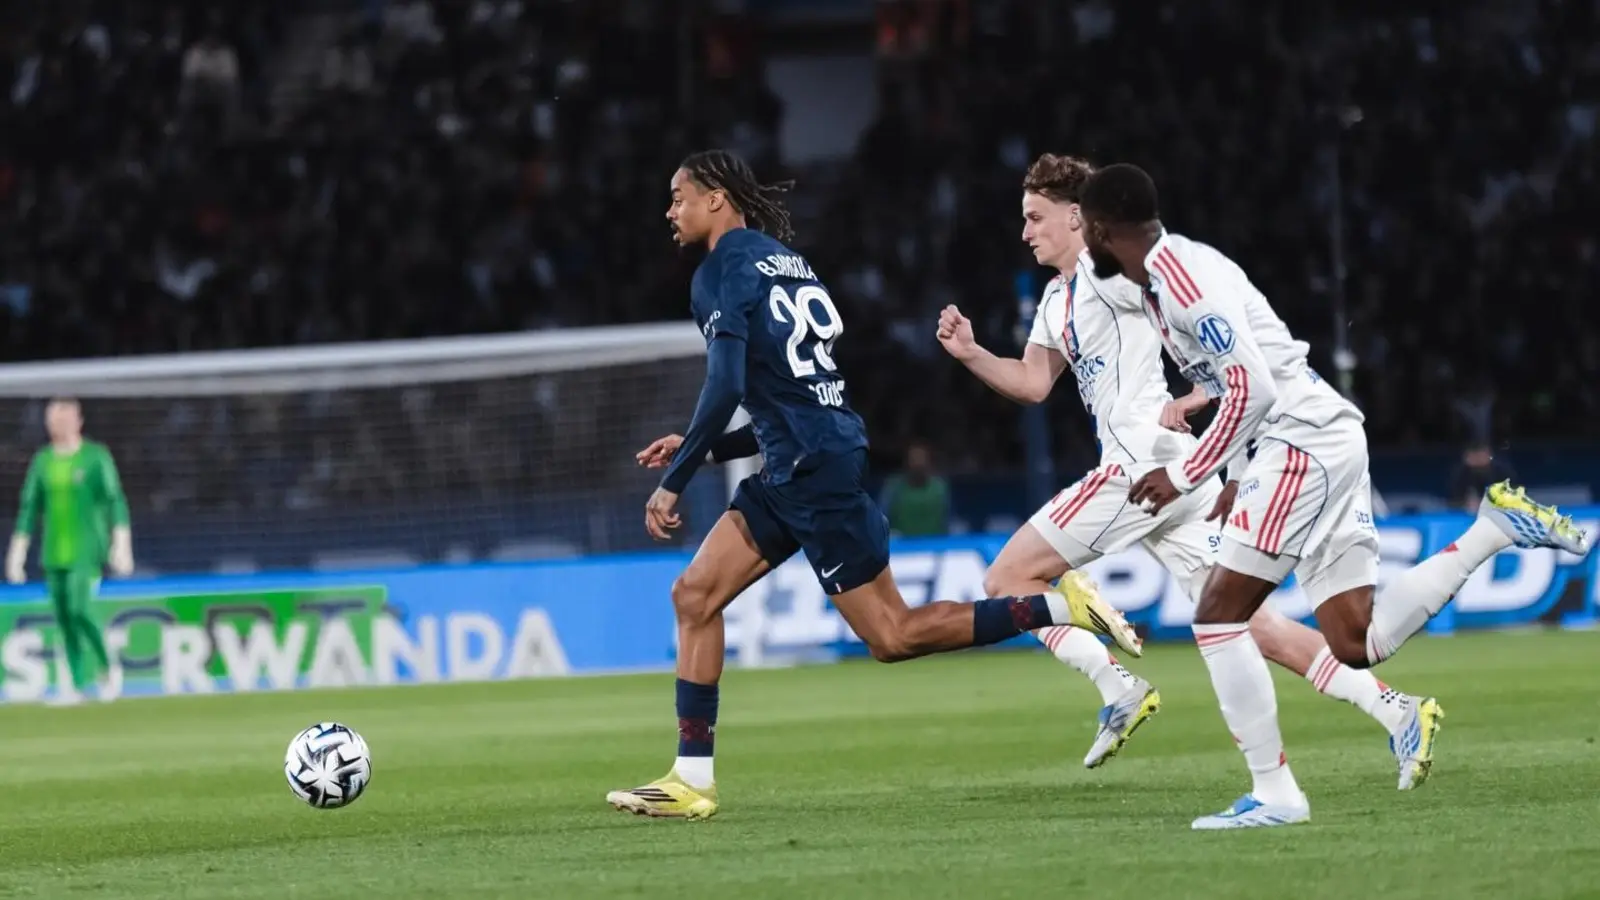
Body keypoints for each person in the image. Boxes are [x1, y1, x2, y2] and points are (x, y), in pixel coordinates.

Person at [606, 149, 1140, 820]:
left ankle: (1057, 607)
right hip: (806, 457)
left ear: (716, 199)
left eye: (679, 196)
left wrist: (675, 481)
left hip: (809, 471)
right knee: (694, 596)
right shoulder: (786, 264)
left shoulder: (719, 271)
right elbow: (795, 398)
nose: (670, 211)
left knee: (894, 636)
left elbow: (728, 385)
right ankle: (691, 779)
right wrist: (700, 448)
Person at [1078, 163, 1589, 829]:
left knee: (1216, 615)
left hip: (1301, 440)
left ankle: (1276, 795)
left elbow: (1255, 390)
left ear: (1098, 227)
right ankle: (1492, 529)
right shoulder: (1168, 275)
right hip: (1323, 435)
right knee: (1357, 640)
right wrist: (1232, 476)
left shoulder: (1180, 282)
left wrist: (1184, 475)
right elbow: (1235, 382)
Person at [939, 153, 1436, 777]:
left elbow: (1195, 319)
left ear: (1076, 217)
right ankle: (1399, 711)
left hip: (1143, 468)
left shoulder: (1111, 276)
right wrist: (971, 353)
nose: (1025, 231)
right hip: (1175, 473)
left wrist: (1211, 390)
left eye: (1036, 217)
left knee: (1006, 579)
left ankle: (1117, 687)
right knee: (1253, 624)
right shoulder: (1056, 300)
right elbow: (1034, 382)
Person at [6, 398, 135, 704]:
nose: (57, 427)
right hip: (55, 553)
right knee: (64, 617)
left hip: (86, 550)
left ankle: (108, 668)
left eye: (63, 420)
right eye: (53, 421)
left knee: (81, 609)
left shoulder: (94, 457)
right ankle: (76, 685)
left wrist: (122, 543)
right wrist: (17, 551)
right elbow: (29, 507)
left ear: (78, 422)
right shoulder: (43, 461)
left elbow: (115, 500)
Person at [879, 441, 951, 537]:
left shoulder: (940, 488)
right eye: (914, 460)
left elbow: (949, 519)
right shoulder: (893, 488)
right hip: (902, 546)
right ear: (906, 463)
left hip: (935, 545)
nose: (918, 464)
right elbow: (879, 520)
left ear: (929, 462)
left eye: (922, 459)